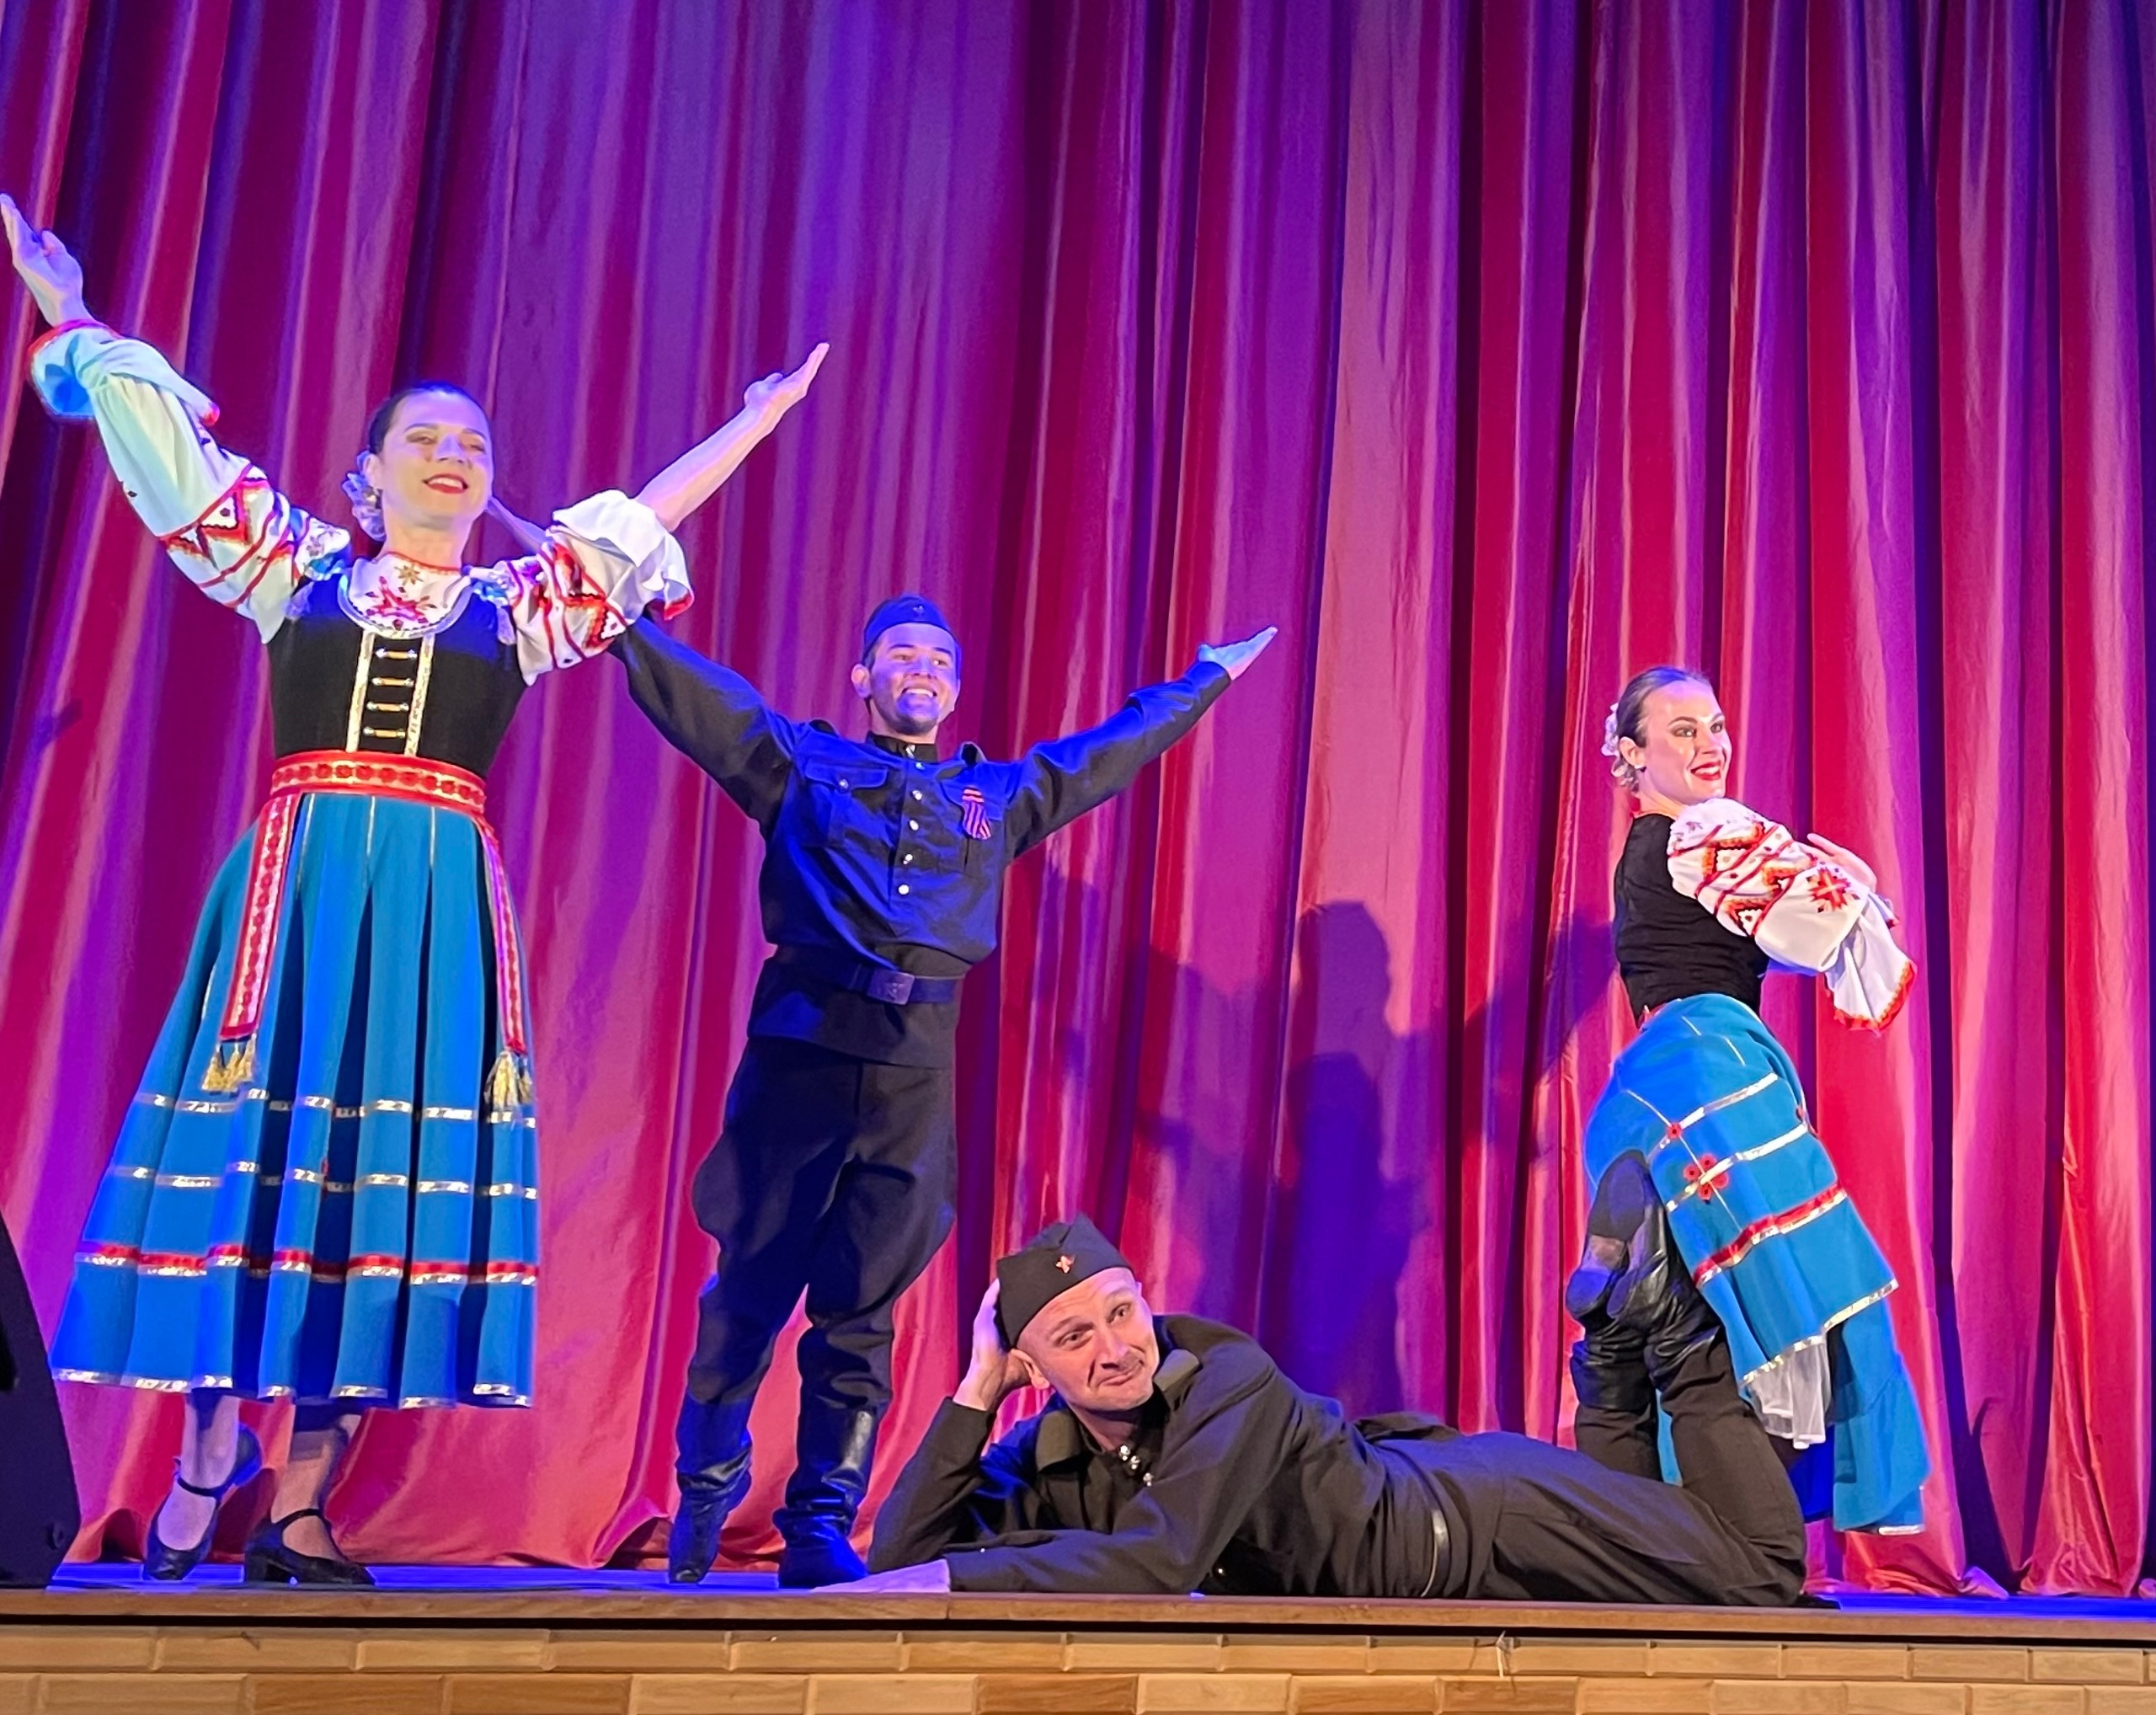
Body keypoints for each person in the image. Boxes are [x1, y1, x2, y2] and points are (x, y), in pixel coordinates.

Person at [3, 193, 824, 1584]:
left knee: (375, 1199)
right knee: (266, 1167)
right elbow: (164, 451)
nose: (453, 457)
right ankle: (208, 1449)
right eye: (426, 440)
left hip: (435, 915)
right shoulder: (295, 570)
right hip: (303, 896)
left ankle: (302, 1504)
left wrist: (752, 423)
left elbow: (643, 521)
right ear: (366, 475)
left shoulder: (519, 610)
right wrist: (72, 313)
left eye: (473, 444)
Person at [611, 601, 1274, 1586]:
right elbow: (704, 703)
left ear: (954, 689)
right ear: (863, 677)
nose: (920, 668)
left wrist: (1205, 678)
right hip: (801, 1056)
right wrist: (617, 615)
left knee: (861, 1309)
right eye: (901, 653)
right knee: (748, 1290)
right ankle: (706, 1475)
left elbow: (1108, 753)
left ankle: (817, 1520)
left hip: (913, 1074)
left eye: (937, 658)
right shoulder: (802, 766)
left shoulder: (993, 795)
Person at [845, 1213, 1806, 1605]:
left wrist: (958, 1580)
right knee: (1667, 1576)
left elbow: (1159, 1558)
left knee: (1760, 1576)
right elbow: (896, 1561)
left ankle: (1671, 1336)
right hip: (1466, 1573)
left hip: (1490, 1517)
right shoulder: (1045, 1453)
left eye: (1121, 1311)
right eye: (1074, 1337)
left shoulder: (1224, 1375)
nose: (1115, 1347)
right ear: (1032, 1364)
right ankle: (1614, 1352)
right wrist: (974, 1393)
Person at [1570, 665, 1931, 1535]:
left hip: (1645, 1094)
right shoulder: (1705, 832)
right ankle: (1744, 1548)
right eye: (1683, 729)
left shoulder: (1655, 852)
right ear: (1633, 753)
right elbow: (1816, 928)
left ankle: (1662, 1545)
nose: (1711, 745)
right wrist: (1860, 891)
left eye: (1717, 726)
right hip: (1712, 1075)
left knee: (1673, 1325)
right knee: (1780, 1305)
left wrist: (1846, 897)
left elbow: (1780, 925)